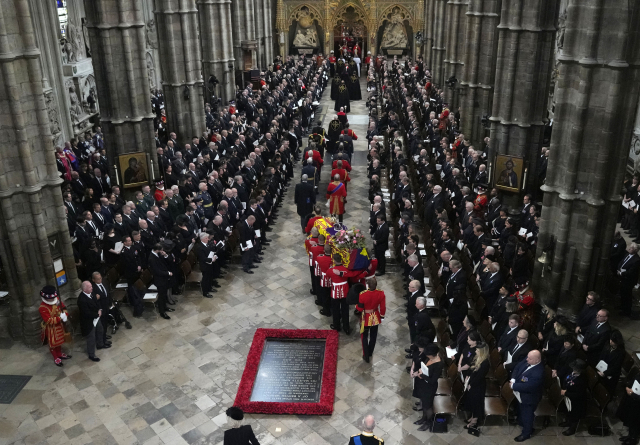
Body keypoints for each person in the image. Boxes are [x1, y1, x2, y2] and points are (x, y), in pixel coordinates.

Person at [510, 350, 544, 442]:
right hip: (520, 394)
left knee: (527, 415)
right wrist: (513, 379)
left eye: (529, 358)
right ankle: (522, 423)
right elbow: (517, 367)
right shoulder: (529, 359)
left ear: (537, 360)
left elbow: (529, 386)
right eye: (527, 357)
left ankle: (526, 433)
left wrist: (514, 386)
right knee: (522, 411)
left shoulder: (538, 372)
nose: (527, 359)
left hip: (529, 398)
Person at [412, 343, 444, 431]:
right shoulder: (429, 358)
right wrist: (419, 371)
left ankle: (428, 422)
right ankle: (423, 418)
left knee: (428, 406)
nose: (426, 356)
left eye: (428, 355)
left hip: (430, 387)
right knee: (424, 403)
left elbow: (433, 380)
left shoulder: (439, 364)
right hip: (423, 384)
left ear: (432, 355)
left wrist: (422, 375)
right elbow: (425, 367)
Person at [38, 285, 72, 367]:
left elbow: (64, 308)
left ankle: (60, 353)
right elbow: (48, 320)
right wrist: (60, 317)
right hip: (51, 329)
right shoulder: (42, 307)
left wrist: (65, 314)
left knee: (60, 341)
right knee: (53, 343)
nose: (53, 299)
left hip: (59, 326)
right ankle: (56, 357)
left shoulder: (57, 300)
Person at [357, 276, 386, 363]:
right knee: (373, 336)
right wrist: (382, 316)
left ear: (367, 285)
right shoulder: (381, 293)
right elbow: (383, 307)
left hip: (365, 318)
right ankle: (370, 352)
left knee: (364, 336)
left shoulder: (362, 294)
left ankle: (366, 355)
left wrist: (356, 306)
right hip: (375, 317)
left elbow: (360, 309)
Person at [77, 280, 106, 362]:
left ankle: (100, 344)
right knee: (91, 338)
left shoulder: (91, 293)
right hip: (88, 321)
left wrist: (100, 309)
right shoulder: (82, 300)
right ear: (84, 289)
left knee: (100, 329)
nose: (92, 288)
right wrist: (97, 314)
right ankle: (91, 354)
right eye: (90, 287)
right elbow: (86, 313)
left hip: (96, 317)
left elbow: (97, 303)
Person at [463, 342, 490, 430]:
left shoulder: (485, 363)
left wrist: (471, 384)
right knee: (471, 401)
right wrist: (467, 375)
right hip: (472, 382)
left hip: (478, 385)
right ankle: (473, 416)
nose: (476, 351)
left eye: (478, 350)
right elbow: (471, 367)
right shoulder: (477, 357)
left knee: (476, 403)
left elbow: (479, 377)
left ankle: (475, 420)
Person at [559, 359, 588, 436]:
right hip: (568, 397)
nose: (574, 370)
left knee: (574, 414)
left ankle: (572, 428)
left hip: (577, 401)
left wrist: (566, 393)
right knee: (567, 411)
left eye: (576, 369)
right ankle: (568, 422)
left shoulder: (582, 380)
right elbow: (566, 379)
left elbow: (579, 394)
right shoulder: (571, 373)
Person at [147, 243, 174, 320]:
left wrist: (165, 255)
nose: (162, 251)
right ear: (157, 250)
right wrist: (167, 273)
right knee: (161, 296)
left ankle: (165, 307)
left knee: (164, 294)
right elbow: (156, 271)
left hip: (164, 278)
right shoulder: (152, 258)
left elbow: (167, 261)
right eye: (161, 250)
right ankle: (162, 312)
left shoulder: (158, 254)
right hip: (159, 279)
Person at [596, 329, 625, 394]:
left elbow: (616, 367)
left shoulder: (621, 352)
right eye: (610, 339)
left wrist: (605, 373)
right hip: (602, 367)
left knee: (607, 389)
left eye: (613, 341)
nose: (610, 341)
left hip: (611, 373)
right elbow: (602, 355)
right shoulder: (607, 344)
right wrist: (599, 365)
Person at [616, 371, 640, 445]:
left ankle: (633, 439)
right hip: (632, 402)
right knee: (631, 420)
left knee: (635, 423)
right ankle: (630, 436)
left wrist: (632, 394)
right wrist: (628, 387)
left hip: (638, 404)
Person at [617, 243, 640, 315]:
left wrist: (621, 273)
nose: (629, 248)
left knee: (627, 295)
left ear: (635, 250)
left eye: (631, 248)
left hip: (628, 280)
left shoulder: (637, 260)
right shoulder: (627, 254)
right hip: (623, 278)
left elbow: (631, 272)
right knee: (622, 293)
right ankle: (622, 306)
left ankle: (626, 310)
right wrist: (619, 269)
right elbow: (622, 262)